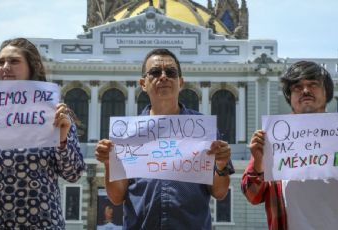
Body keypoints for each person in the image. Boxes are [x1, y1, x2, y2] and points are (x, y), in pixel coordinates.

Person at [95, 48, 235, 229]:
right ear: (143, 83)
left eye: (171, 72)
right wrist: (108, 163)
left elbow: (220, 192)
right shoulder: (127, 133)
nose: (163, 77)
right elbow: (116, 197)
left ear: (180, 82)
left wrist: (222, 166)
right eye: (154, 72)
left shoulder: (204, 131)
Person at [0, 38, 86, 229]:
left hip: (39, 223)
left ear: (33, 67)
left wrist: (62, 139)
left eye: (14, 61)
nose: (5, 67)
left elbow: (74, 173)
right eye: (1, 62)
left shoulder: (53, 114)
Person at [241, 60, 338, 229]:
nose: (305, 91)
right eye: (297, 87)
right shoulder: (272, 139)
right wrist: (258, 162)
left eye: (313, 84)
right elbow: (252, 195)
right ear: (289, 97)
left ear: (326, 92)